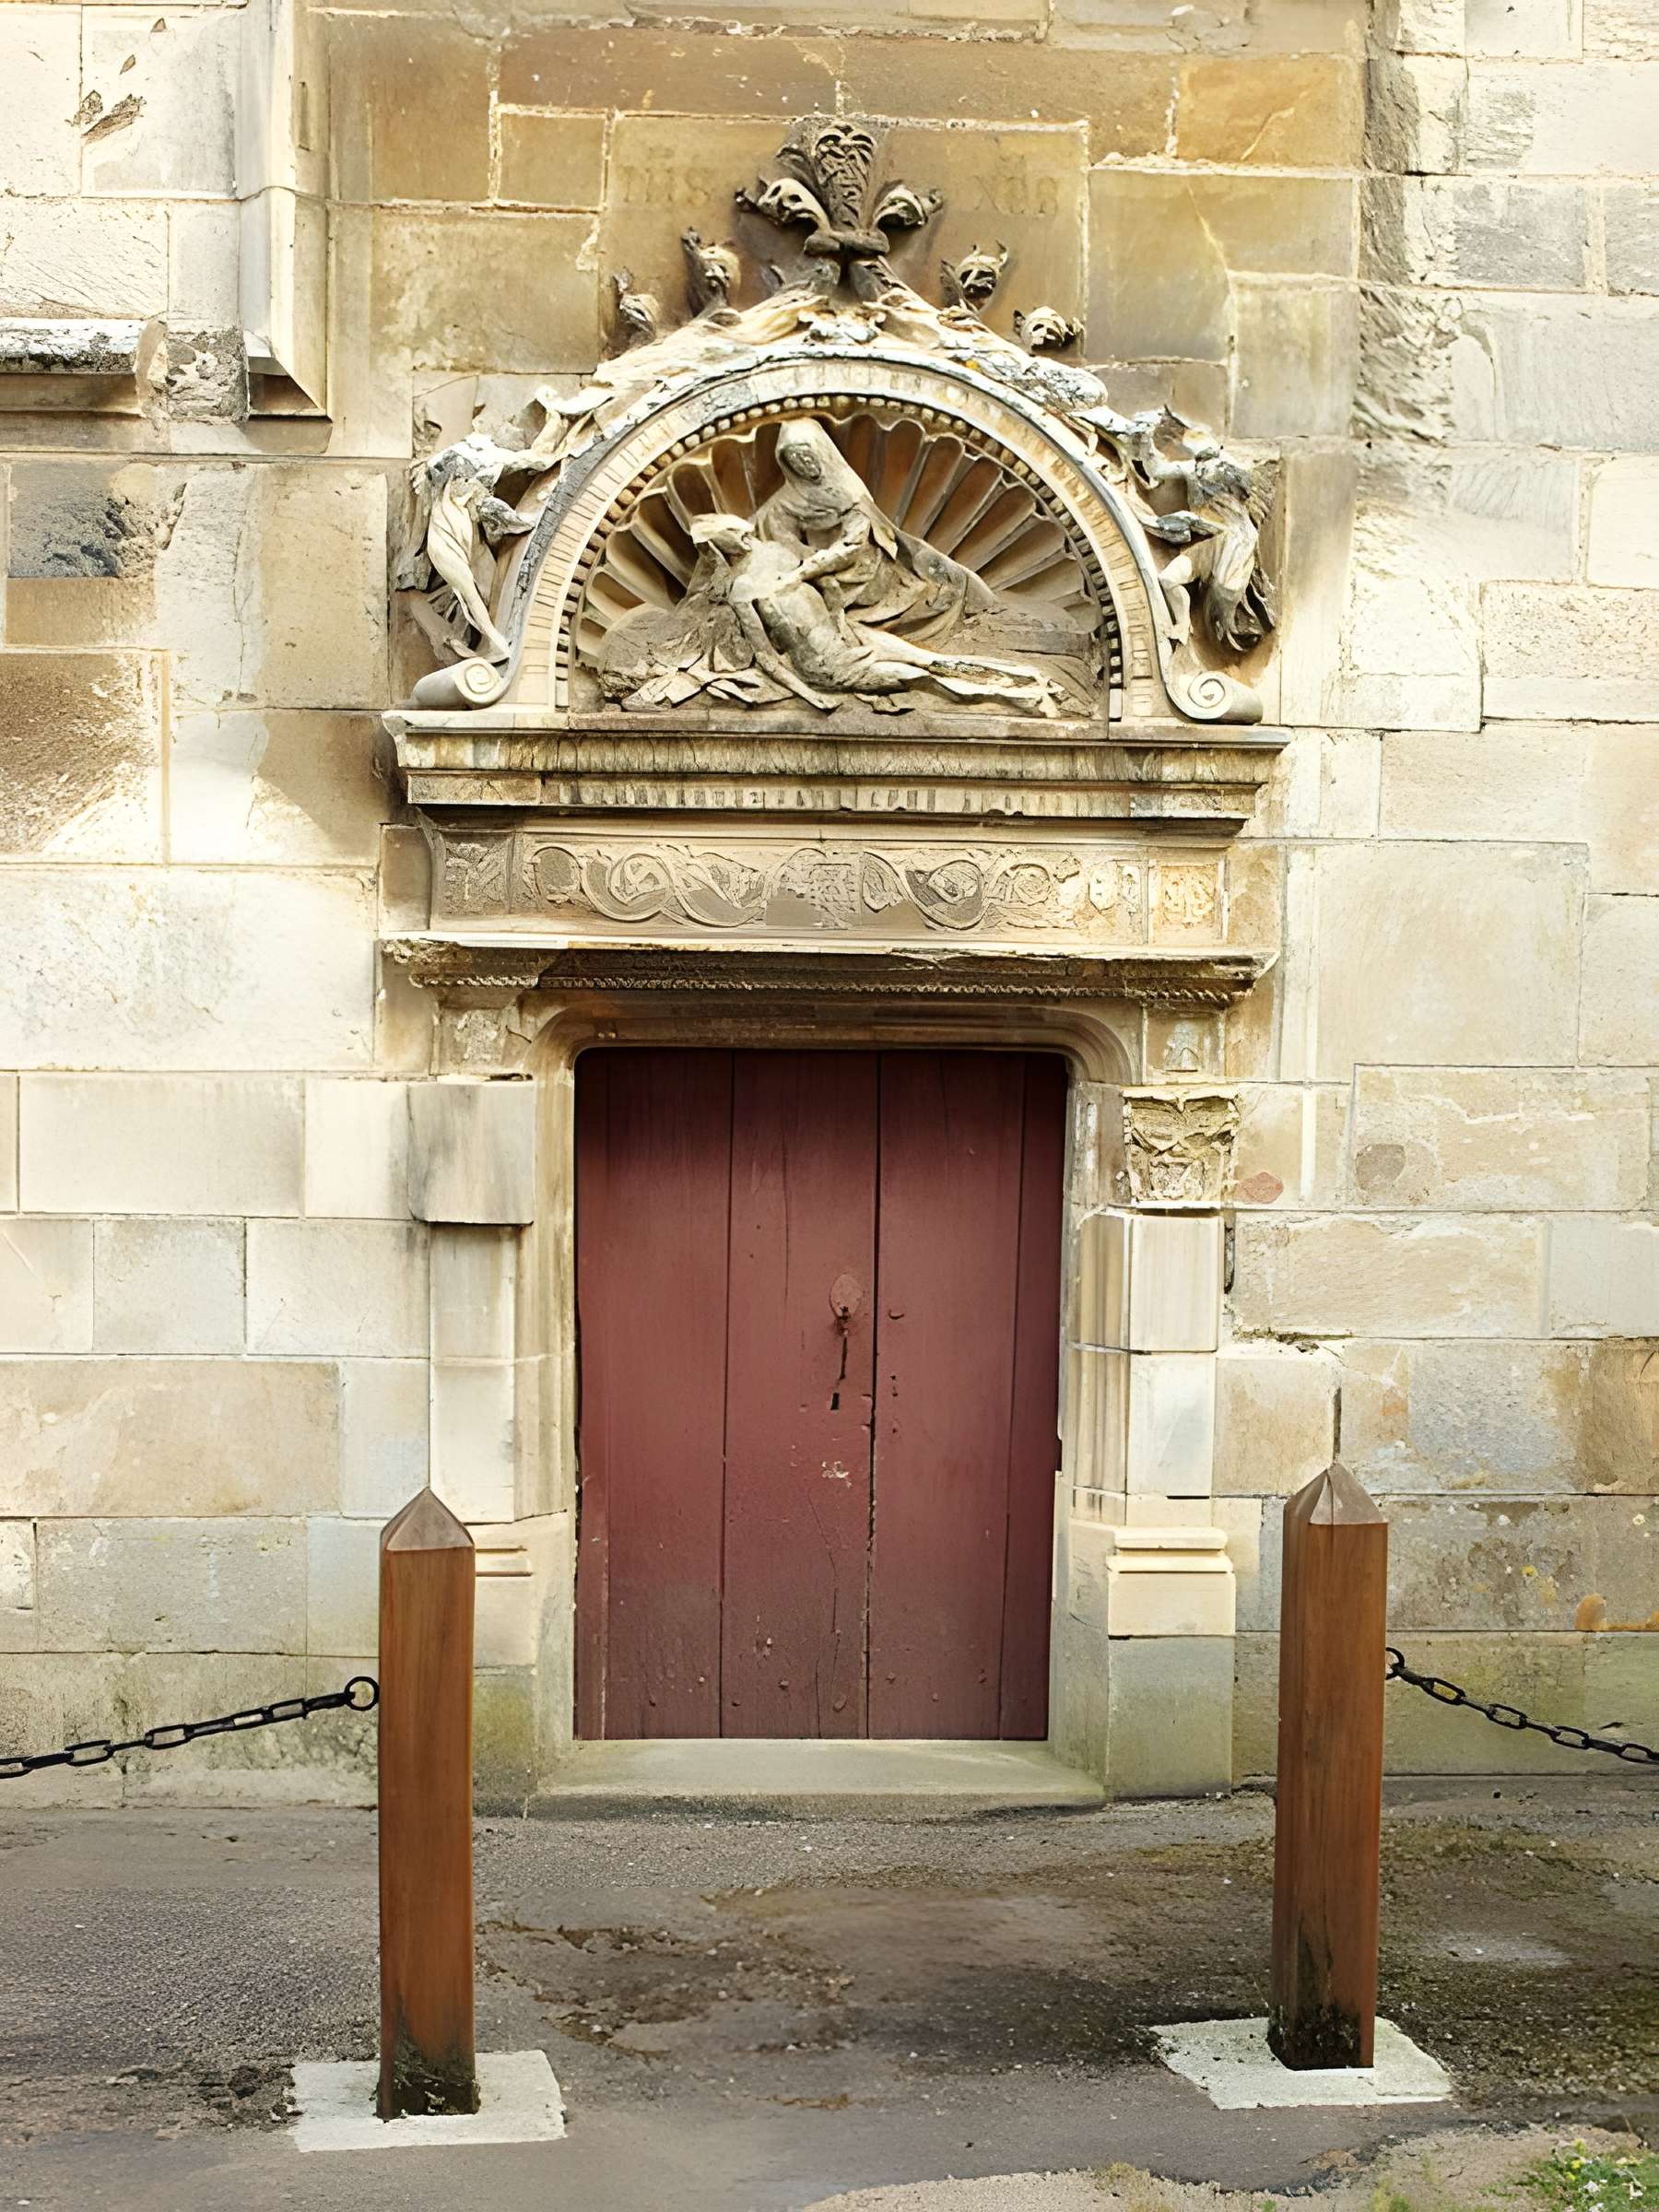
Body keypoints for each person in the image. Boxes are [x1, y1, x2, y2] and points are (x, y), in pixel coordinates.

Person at [688, 513, 1061, 718]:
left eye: (738, 526)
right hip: (826, 666)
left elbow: (828, 583)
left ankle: (1027, 678)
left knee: (932, 660)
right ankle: (1020, 699)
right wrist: (811, 697)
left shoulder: (778, 553)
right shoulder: (742, 591)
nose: (743, 532)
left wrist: (838, 617)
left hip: (851, 635)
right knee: (921, 679)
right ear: (718, 545)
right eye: (729, 532)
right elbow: (766, 657)